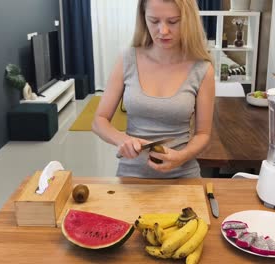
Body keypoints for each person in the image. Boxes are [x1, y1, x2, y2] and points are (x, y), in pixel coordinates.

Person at [92, 0, 215, 178]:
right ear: (143, 19)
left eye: (173, 21)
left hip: (182, 175)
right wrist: (123, 140)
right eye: (154, 21)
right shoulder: (127, 59)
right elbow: (99, 120)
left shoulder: (202, 69)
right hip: (131, 174)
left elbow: (203, 134)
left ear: (188, 20)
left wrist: (181, 157)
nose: (163, 31)